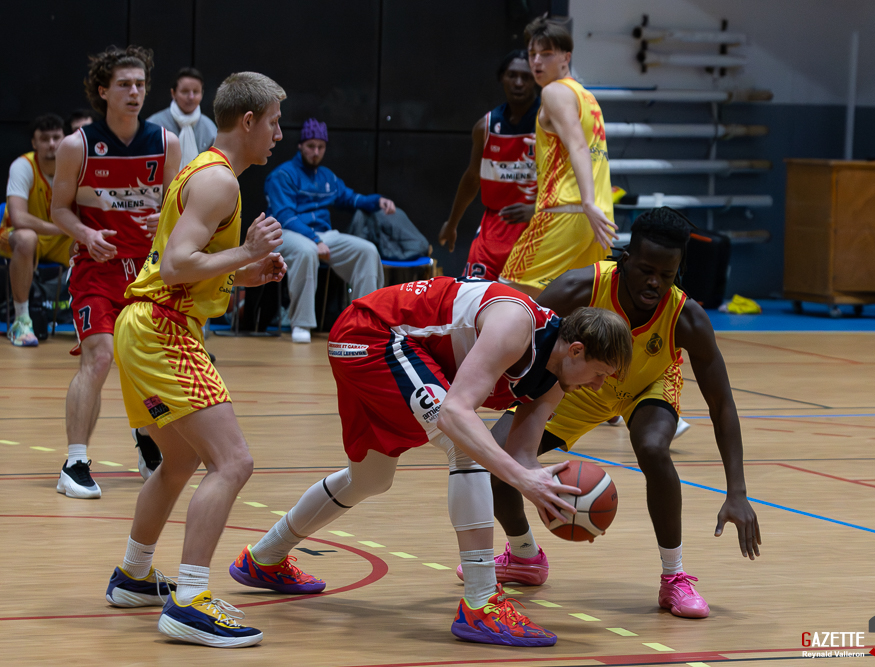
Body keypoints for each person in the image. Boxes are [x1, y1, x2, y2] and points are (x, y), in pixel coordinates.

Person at [229, 277, 632, 647]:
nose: (598, 386)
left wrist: (545, 487)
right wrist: (524, 480)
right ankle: (481, 604)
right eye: (599, 373)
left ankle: (264, 557)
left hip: (387, 346)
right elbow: (455, 414)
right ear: (576, 350)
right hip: (372, 334)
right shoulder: (515, 325)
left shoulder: (555, 381)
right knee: (465, 445)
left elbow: (520, 455)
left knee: (370, 478)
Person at [486, 208, 762, 618]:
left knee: (652, 447)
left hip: (646, 386)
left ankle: (674, 578)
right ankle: (524, 556)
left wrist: (736, 491)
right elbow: (520, 332)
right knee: (495, 457)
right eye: (647, 270)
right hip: (579, 383)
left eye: (667, 275)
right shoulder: (580, 287)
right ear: (626, 258)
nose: (655, 283)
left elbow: (722, 404)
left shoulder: (686, 317)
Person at [104, 71, 288, 649]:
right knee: (233, 462)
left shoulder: (203, 171)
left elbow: (186, 266)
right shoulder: (219, 181)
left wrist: (248, 270)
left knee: (180, 460)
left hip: (146, 323)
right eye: (274, 122)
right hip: (163, 329)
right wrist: (246, 250)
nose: (279, 134)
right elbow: (178, 263)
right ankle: (189, 599)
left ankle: (134, 575)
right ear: (249, 121)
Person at [50, 45, 179, 498]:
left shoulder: (166, 143)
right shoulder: (77, 146)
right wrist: (87, 234)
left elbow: (175, 208)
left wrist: (164, 221)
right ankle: (75, 463)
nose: (134, 92)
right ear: (103, 91)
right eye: (124, 84)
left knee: (147, 361)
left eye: (140, 84)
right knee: (100, 356)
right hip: (97, 269)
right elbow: (59, 210)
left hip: (146, 273)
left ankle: (146, 438)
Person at [499, 16, 617, 299]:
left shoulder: (553, 92)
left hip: (564, 212)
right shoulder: (586, 96)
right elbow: (582, 147)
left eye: (547, 53)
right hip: (597, 218)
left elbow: (578, 147)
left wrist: (586, 202)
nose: (536, 61)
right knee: (581, 304)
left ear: (566, 57)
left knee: (506, 293)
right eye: (532, 54)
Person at [264, 118, 393, 344]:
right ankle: (301, 323)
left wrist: (378, 201)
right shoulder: (282, 175)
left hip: (323, 236)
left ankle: (365, 324)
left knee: (367, 251)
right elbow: (285, 216)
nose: (316, 152)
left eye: (321, 147)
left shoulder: (327, 177)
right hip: (287, 234)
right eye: (311, 146)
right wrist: (314, 240)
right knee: (306, 251)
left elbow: (352, 199)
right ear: (300, 145)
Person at [438, 50, 539, 280]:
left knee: (529, 299)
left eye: (526, 76)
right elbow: (472, 178)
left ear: (536, 79)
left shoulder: (549, 121)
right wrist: (452, 224)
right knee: (472, 291)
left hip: (536, 226)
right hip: (495, 226)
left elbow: (567, 180)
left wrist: (537, 210)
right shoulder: (486, 126)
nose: (519, 83)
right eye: (512, 75)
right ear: (502, 78)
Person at [1, 114, 74, 347]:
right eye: (44, 139)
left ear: (65, 139)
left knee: (90, 241)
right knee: (26, 237)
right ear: (34, 143)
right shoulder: (23, 165)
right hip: (16, 237)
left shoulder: (74, 166)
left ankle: (87, 318)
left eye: (56, 137)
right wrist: (62, 227)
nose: (51, 144)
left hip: (59, 240)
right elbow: (19, 218)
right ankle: (21, 320)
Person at [147, 67, 218, 169]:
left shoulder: (210, 129)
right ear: (173, 93)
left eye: (196, 92)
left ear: (202, 94)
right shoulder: (154, 125)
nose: (191, 97)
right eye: (185, 91)